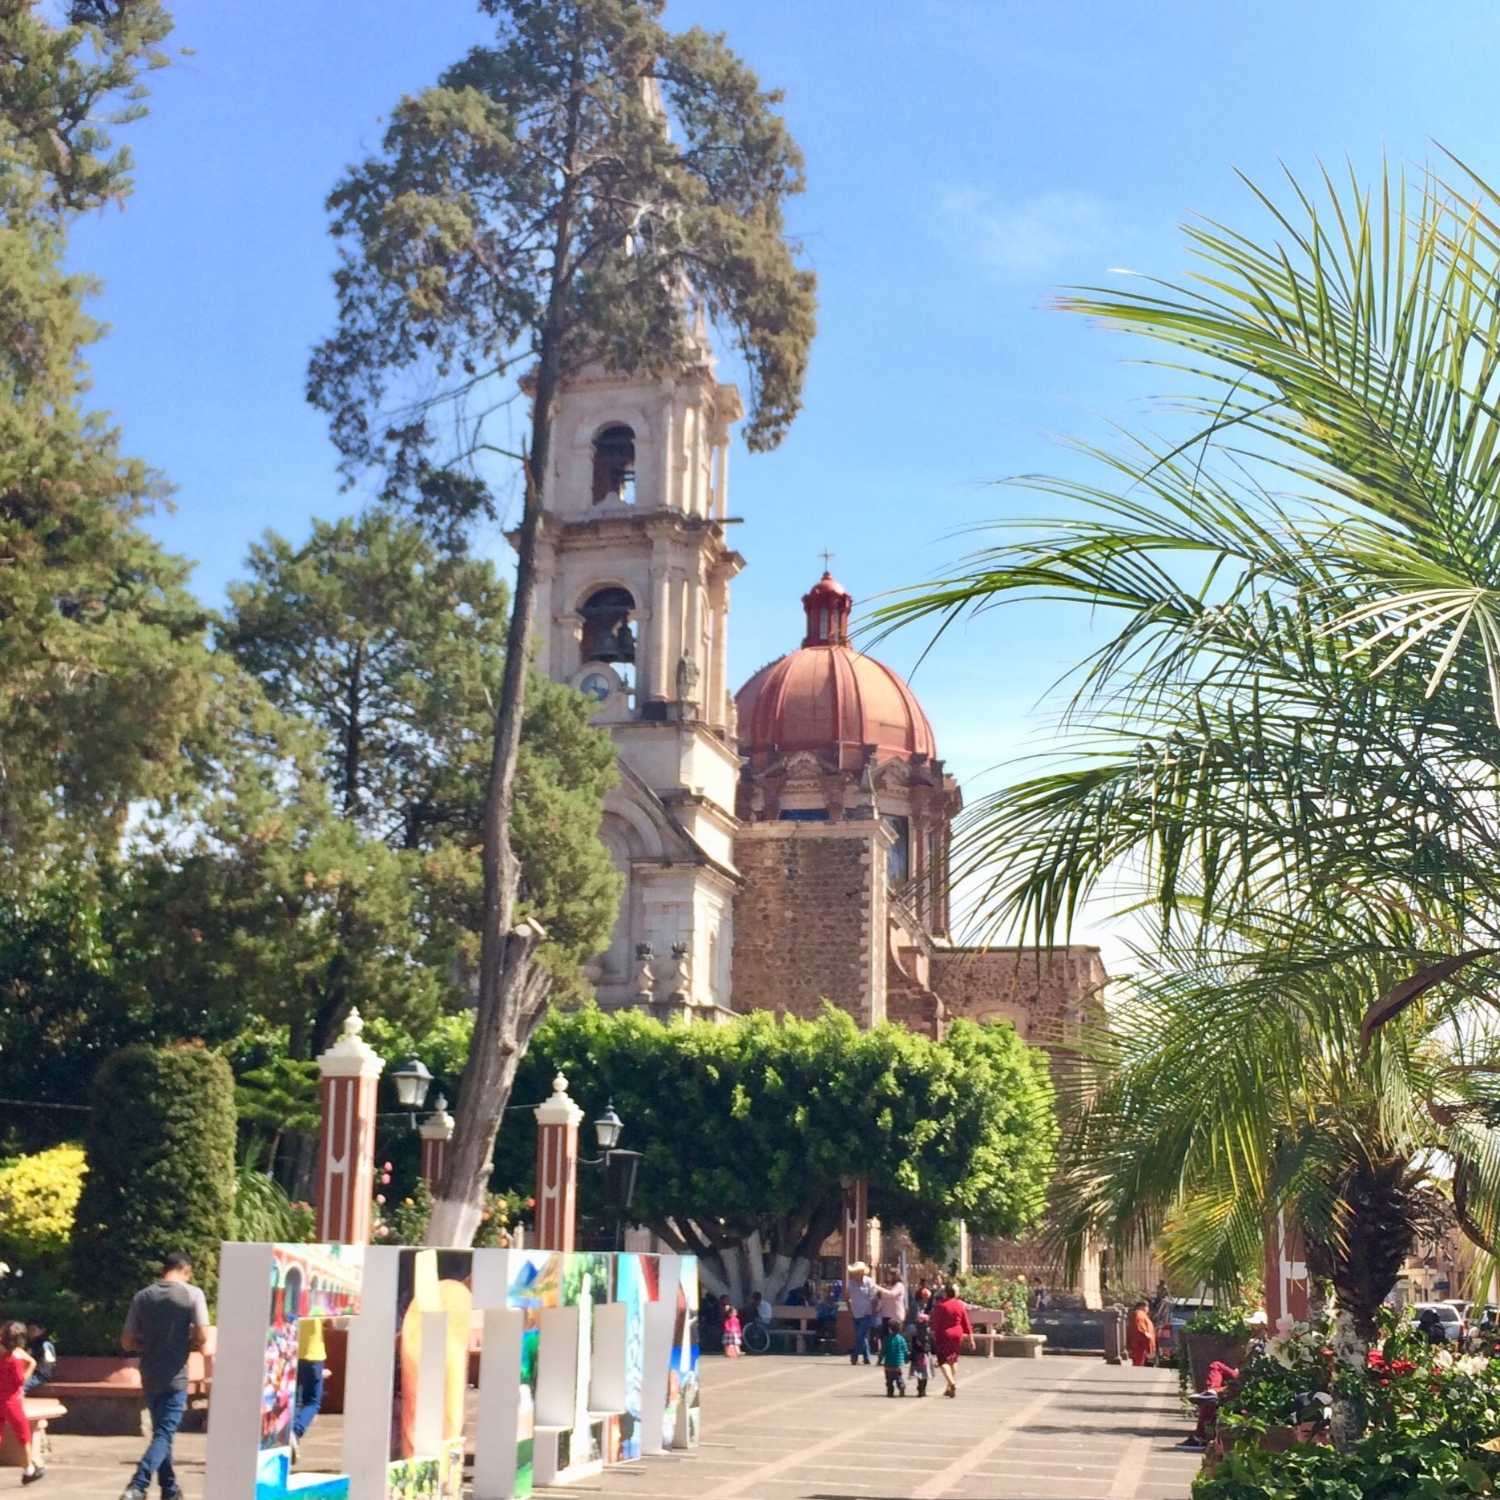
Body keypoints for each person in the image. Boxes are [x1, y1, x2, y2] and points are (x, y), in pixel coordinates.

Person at [120, 1251, 209, 1500]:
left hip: (149, 1373)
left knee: (162, 1432)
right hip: (176, 1375)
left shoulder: (142, 1297)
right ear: (186, 1270)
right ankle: (138, 1484)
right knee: (164, 1433)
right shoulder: (193, 1294)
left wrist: (147, 1344)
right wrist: (188, 1338)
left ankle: (170, 1489)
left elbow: (127, 1341)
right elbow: (202, 1336)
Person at [0, 1322, 42, 1485]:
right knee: (23, 1435)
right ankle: (29, 1469)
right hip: (11, 1401)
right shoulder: (14, 1359)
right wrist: (32, 1364)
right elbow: (20, 1381)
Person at [930, 1283, 973, 1398]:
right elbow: (966, 1322)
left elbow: (935, 1322)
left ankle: (951, 1382)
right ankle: (949, 1387)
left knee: (943, 1361)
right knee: (953, 1359)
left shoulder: (941, 1306)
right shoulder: (960, 1305)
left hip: (944, 1335)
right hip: (958, 1334)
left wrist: (933, 1332)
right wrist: (971, 1337)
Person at [291, 1314, 326, 1452]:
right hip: (314, 1353)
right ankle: (296, 1430)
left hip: (293, 1351)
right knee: (313, 1401)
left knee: (296, 1401)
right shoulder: (317, 1306)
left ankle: (290, 1434)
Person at [847, 1263, 877, 1366]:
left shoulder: (869, 1282)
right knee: (863, 1336)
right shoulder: (851, 1283)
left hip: (866, 1312)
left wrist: (873, 1311)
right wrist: (849, 1309)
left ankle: (854, 1355)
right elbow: (847, 1297)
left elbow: (873, 1297)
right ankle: (867, 1357)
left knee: (860, 1335)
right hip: (856, 1312)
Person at [879, 1317, 908, 1397]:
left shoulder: (887, 1339)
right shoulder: (901, 1339)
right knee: (898, 1376)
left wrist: (880, 1359)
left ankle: (890, 1392)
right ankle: (901, 1385)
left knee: (889, 1380)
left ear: (890, 1328)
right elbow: (905, 1350)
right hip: (899, 1364)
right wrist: (906, 1358)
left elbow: (883, 1350)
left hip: (888, 1363)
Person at [908, 1311, 934, 1397]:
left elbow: (911, 1341)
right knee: (925, 1373)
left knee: (919, 1372)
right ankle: (922, 1389)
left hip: (916, 1355)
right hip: (925, 1355)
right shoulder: (928, 1332)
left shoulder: (914, 1331)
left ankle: (920, 1388)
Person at [22, 1325, 53, 1396]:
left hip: (40, 1375)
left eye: (33, 1330)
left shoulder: (44, 1343)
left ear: (42, 1331)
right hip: (33, 1373)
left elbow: (47, 1364)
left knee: (22, 1385)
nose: (30, 1332)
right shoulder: (30, 1342)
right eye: (29, 1330)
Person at [1127, 1300, 1157, 1367]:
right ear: (1142, 1307)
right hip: (1140, 1343)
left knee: (1140, 1361)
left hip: (1140, 1342)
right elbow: (1139, 1327)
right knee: (1138, 1362)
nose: (1148, 1309)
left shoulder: (1141, 1314)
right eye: (1147, 1307)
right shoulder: (1139, 1314)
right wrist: (1146, 1334)